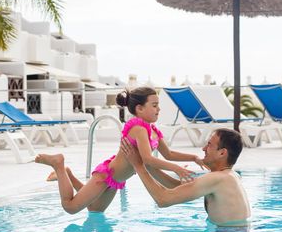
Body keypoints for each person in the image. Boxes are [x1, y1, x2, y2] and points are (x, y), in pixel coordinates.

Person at [36, 86, 204, 214]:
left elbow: (169, 154)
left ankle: (67, 174)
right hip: (106, 175)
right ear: (139, 109)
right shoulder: (138, 128)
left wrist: (194, 158)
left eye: (158, 105)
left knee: (95, 209)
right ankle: (58, 164)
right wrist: (176, 169)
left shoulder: (153, 130)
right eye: (154, 105)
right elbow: (147, 159)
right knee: (71, 207)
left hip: (115, 180)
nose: (158, 109)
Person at [120, 128, 251, 226]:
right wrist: (147, 165)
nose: (203, 148)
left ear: (222, 153)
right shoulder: (229, 176)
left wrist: (138, 166)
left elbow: (163, 199)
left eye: (209, 145)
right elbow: (181, 188)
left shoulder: (217, 178)